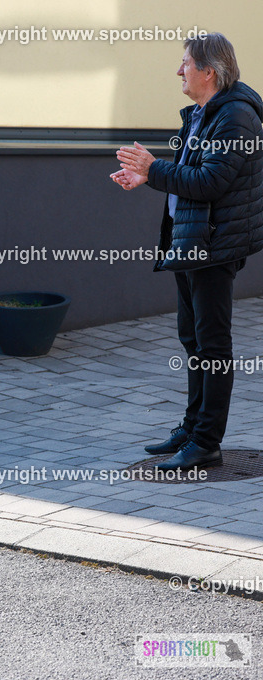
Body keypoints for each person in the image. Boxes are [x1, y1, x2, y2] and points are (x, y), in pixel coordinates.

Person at [111, 33, 263, 470]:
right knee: (192, 339)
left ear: (208, 71)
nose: (179, 71)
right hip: (190, 239)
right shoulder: (203, 112)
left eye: (185, 64)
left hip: (214, 245)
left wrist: (153, 169)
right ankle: (192, 427)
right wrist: (147, 176)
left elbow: (212, 181)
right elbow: (190, 173)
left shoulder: (235, 116)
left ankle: (207, 443)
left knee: (212, 345)